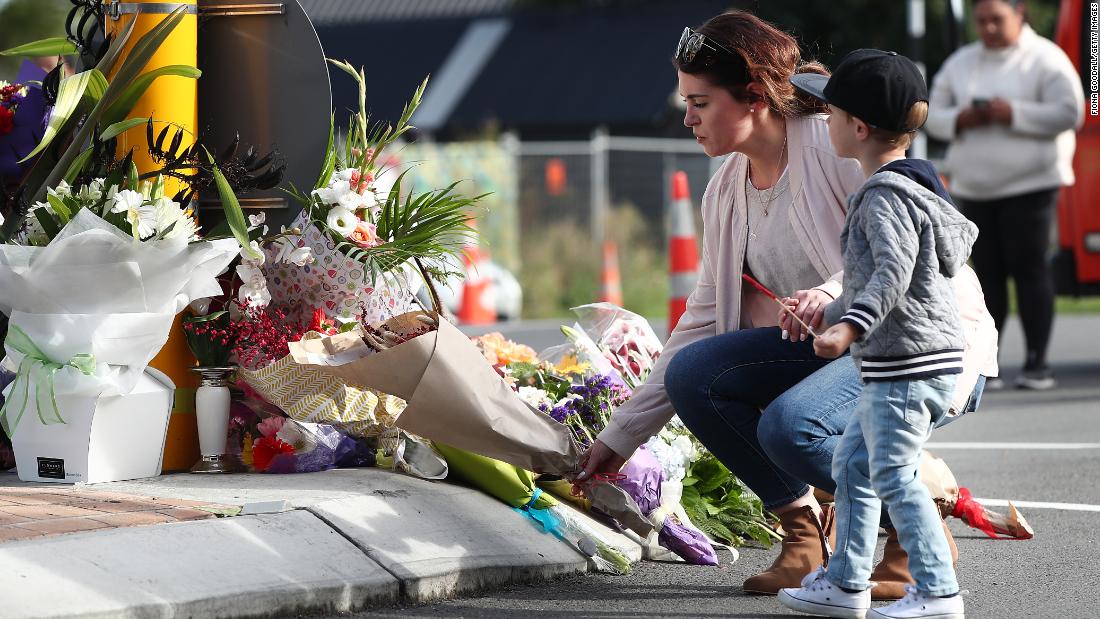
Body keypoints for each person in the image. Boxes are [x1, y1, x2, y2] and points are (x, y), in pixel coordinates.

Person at [575, 10, 995, 599]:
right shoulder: (726, 189)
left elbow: (904, 241)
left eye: (699, 101)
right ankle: (802, 537)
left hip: (920, 344)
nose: (687, 118)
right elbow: (699, 321)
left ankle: (912, 522)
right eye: (684, 102)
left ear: (751, 99)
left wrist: (828, 292)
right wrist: (620, 437)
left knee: (791, 425)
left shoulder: (837, 142)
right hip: (842, 346)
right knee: (699, 372)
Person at [777, 49, 977, 619]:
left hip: (907, 368)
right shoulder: (912, 186)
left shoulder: (883, 196)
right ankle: (846, 584)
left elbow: (892, 271)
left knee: (891, 472)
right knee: (853, 467)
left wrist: (848, 325)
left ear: (857, 128)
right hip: (907, 363)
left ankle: (938, 592)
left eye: (830, 112)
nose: (824, 122)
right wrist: (833, 304)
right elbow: (895, 277)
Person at [925, 0, 1084, 390]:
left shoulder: (1046, 58)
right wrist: (961, 119)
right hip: (976, 186)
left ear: (1020, 14)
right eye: (981, 21)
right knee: (988, 276)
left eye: (997, 19)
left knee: (1030, 271)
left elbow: (1072, 111)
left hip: (1031, 183)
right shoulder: (962, 61)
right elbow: (928, 113)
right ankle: (987, 364)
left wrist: (1013, 113)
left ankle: (1036, 363)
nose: (988, 28)